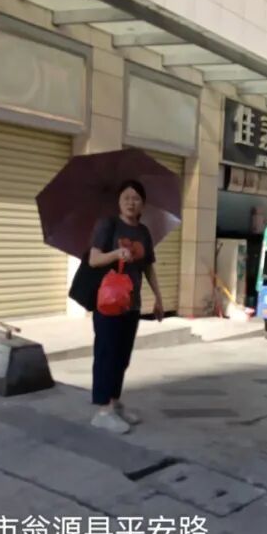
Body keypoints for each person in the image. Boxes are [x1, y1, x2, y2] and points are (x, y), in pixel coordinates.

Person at [87, 180, 164, 434]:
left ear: (143, 204)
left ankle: (114, 402)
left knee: (122, 357)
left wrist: (158, 298)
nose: (131, 202)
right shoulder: (107, 225)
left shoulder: (144, 232)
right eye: (126, 198)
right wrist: (116, 254)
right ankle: (102, 411)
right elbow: (94, 259)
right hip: (108, 304)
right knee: (106, 355)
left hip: (131, 304)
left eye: (136, 198)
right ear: (119, 202)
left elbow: (148, 267)